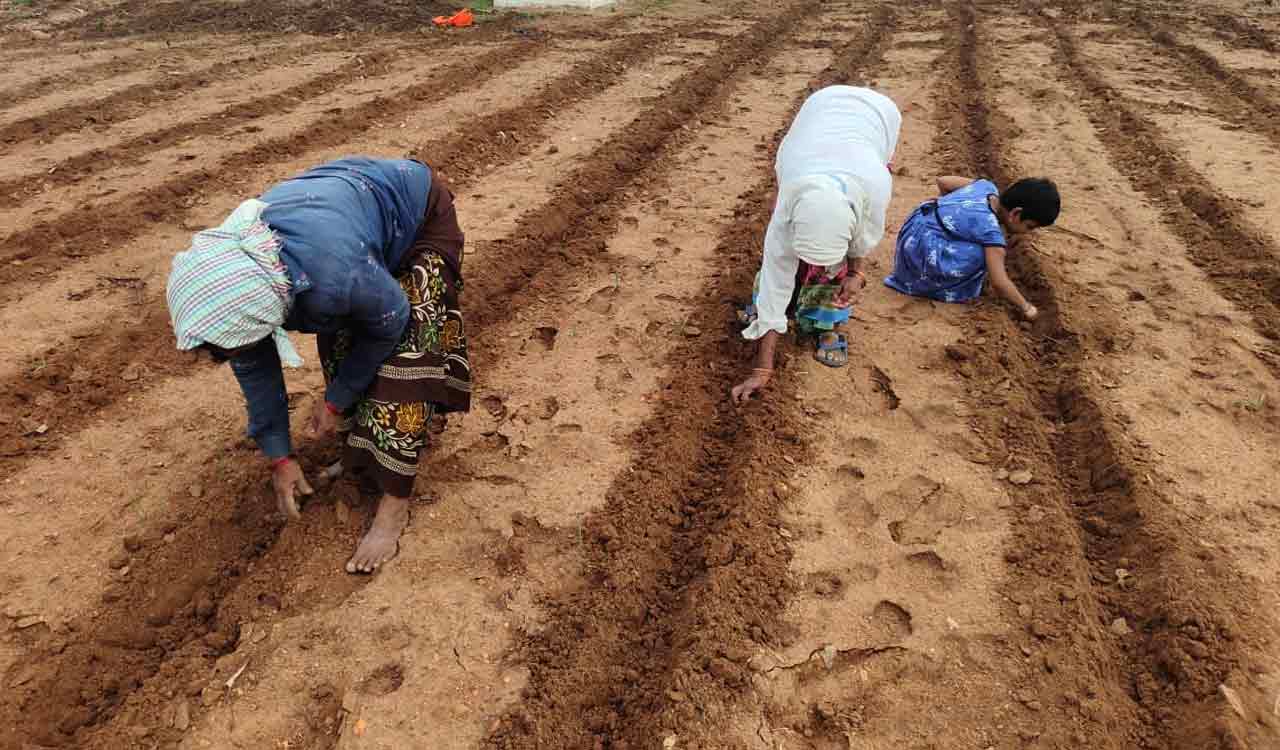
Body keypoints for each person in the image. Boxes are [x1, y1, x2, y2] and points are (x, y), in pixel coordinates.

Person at [165, 157, 471, 574]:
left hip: (417, 216)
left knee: (404, 362)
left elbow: (389, 320)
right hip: (345, 228)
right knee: (341, 347)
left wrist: (334, 402)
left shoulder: (332, 277)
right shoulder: (243, 284)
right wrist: (280, 458)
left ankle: (394, 505)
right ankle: (360, 454)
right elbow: (255, 368)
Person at [731, 85, 901, 404]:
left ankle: (827, 323)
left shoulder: (875, 186)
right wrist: (762, 369)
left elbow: (862, 238)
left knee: (836, 272)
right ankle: (786, 309)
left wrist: (856, 274)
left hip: (879, 115)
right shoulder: (787, 204)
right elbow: (774, 276)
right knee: (781, 268)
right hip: (818, 113)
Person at [884, 176, 1060, 318]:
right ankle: (940, 286)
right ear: (1016, 213)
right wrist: (1027, 308)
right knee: (983, 253)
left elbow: (943, 181)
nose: (1027, 233)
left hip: (912, 234)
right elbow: (999, 282)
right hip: (921, 259)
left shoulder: (985, 187)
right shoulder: (991, 232)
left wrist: (948, 208)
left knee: (978, 241)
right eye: (1030, 227)